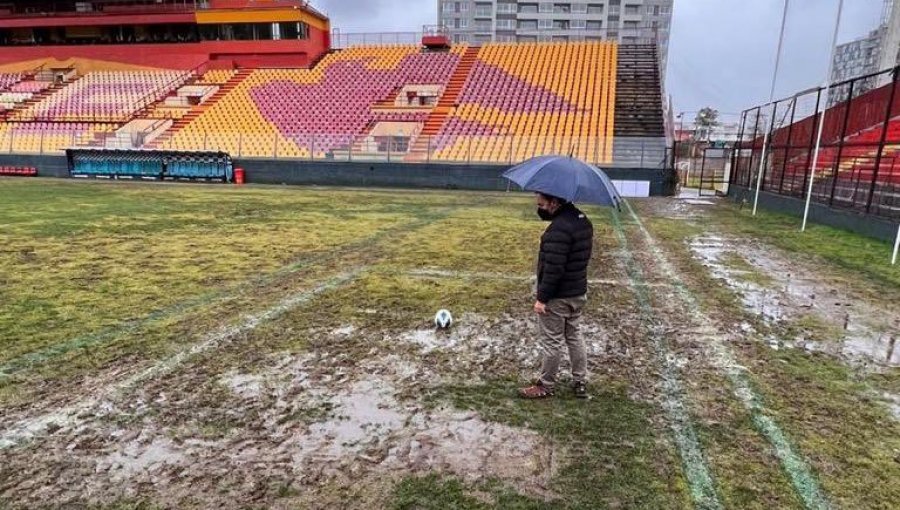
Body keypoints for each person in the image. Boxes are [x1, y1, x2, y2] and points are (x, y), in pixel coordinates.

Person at [519, 192, 594, 400]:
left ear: (554, 202)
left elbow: (554, 269)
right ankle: (580, 381)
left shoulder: (558, 230)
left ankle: (546, 385)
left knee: (551, 341)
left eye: (541, 204)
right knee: (574, 336)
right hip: (578, 293)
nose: (539, 208)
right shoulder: (583, 221)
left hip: (559, 297)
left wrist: (542, 298)